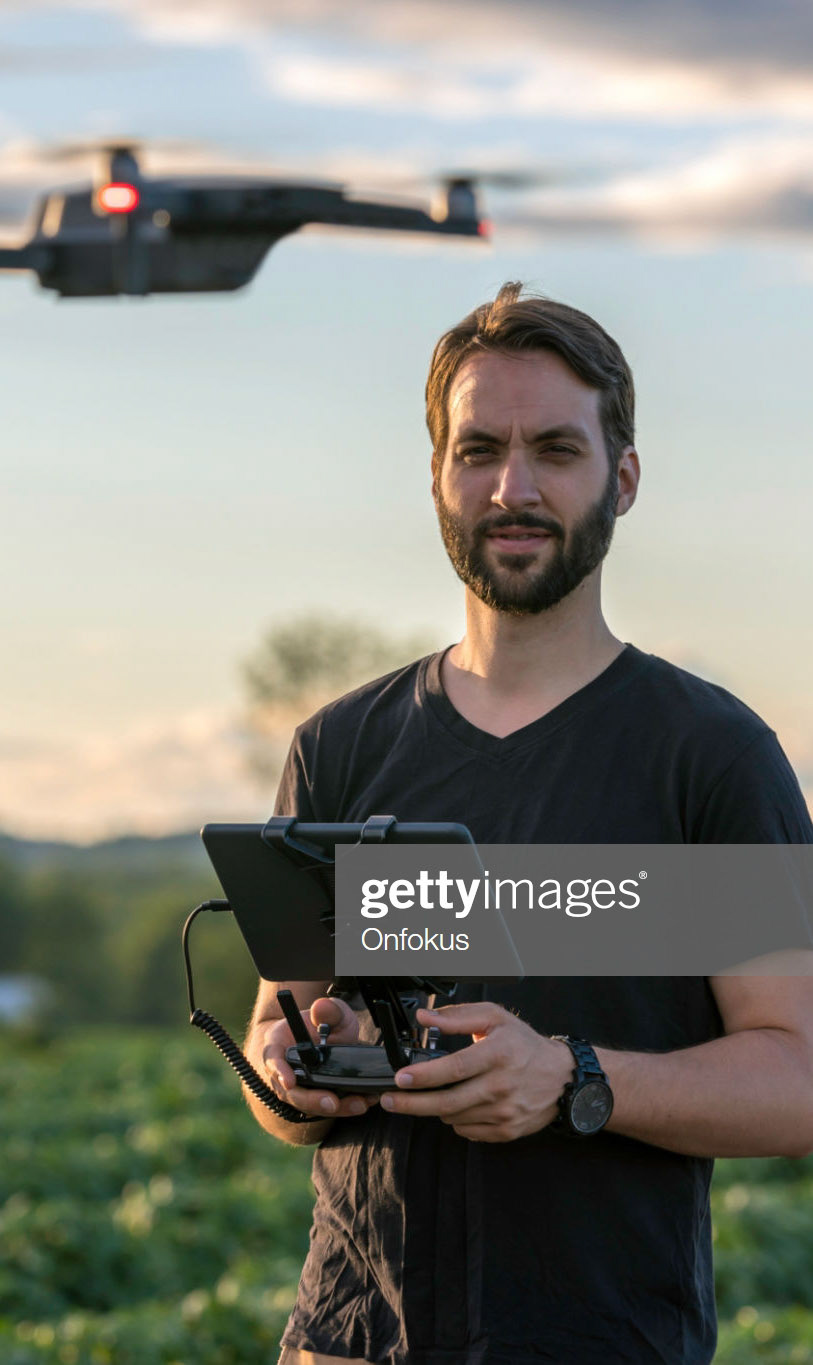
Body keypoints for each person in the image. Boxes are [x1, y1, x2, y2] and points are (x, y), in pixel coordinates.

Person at [241, 281, 813, 1365]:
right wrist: (298, 1068)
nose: (513, 487)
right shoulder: (341, 751)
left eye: (556, 449)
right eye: (479, 451)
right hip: (349, 1343)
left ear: (623, 479)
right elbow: (281, 1059)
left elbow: (799, 1080)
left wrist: (573, 1079)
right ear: (437, 478)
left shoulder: (705, 756)